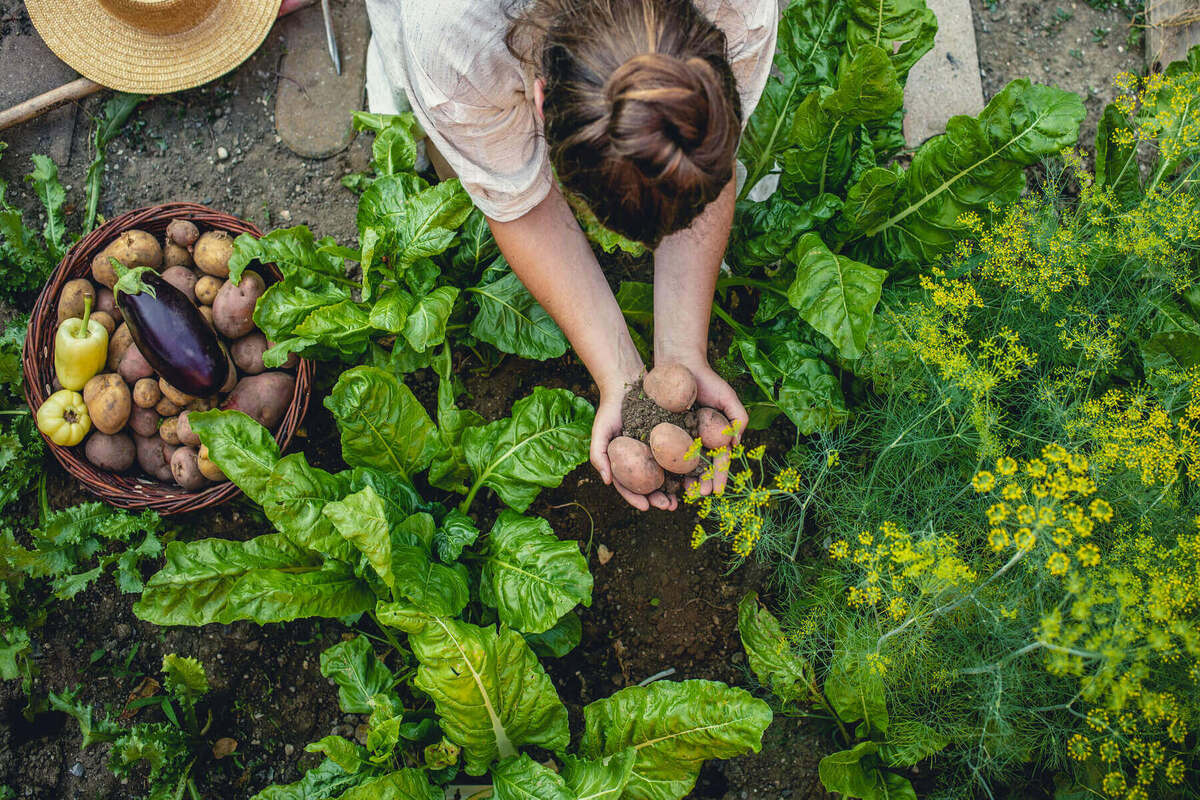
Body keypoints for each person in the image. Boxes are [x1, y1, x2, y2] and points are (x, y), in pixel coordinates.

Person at [364, 0, 778, 511]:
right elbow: (521, 207)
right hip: (453, 42)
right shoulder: (455, 46)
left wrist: (679, 355)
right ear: (542, 102)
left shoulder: (740, 11)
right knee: (454, 143)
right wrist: (618, 376)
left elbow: (695, 163)